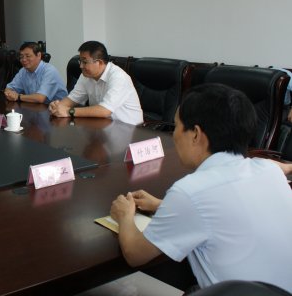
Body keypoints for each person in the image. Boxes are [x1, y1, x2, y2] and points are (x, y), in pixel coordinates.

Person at [109, 83, 292, 292]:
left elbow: (135, 254)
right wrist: (162, 205)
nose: (174, 135)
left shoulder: (190, 191)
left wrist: (124, 215)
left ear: (195, 134)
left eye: (177, 126)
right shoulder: (268, 170)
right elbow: (226, 210)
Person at [48, 41, 143, 125]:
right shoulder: (85, 75)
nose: (81, 66)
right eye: (80, 61)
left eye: (85, 62)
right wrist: (58, 107)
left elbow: (104, 110)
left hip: (131, 130)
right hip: (103, 125)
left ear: (99, 62)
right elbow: (73, 98)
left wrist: (70, 111)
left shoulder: (118, 77)